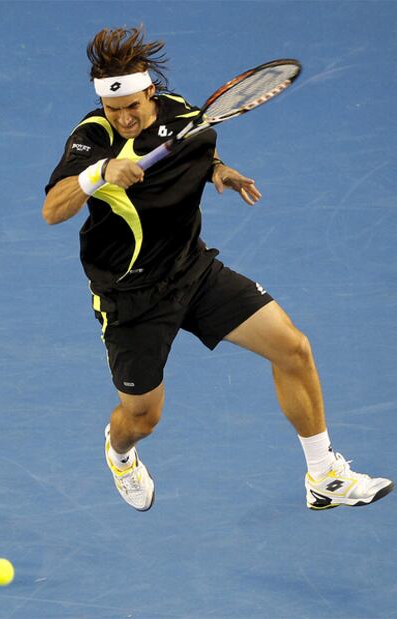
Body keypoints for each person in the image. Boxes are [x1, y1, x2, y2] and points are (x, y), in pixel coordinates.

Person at [43, 26, 393, 512]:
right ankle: (119, 455)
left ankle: (324, 475)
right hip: (130, 296)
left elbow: (199, 148)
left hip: (192, 271)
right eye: (112, 108)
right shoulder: (91, 138)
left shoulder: (185, 114)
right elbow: (53, 210)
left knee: (293, 348)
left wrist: (217, 169)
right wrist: (99, 173)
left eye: (133, 107)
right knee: (142, 418)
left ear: (151, 92)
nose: (123, 117)